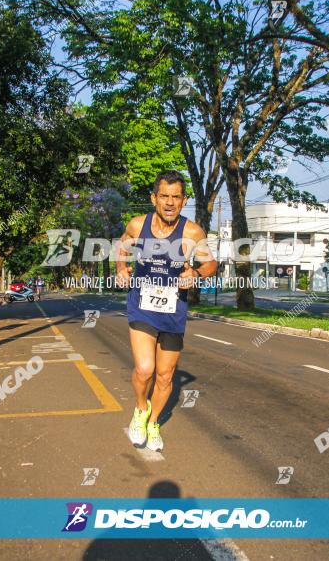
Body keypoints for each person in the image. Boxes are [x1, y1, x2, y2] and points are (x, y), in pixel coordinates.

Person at [115, 170, 218, 451]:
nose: (170, 203)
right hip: (143, 304)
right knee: (145, 369)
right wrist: (122, 267)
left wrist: (195, 273)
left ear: (183, 201)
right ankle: (140, 410)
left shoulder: (193, 232)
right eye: (164, 197)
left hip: (174, 308)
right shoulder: (137, 226)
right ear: (154, 199)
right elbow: (121, 247)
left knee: (165, 376)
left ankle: (154, 422)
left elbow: (211, 265)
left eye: (176, 197)